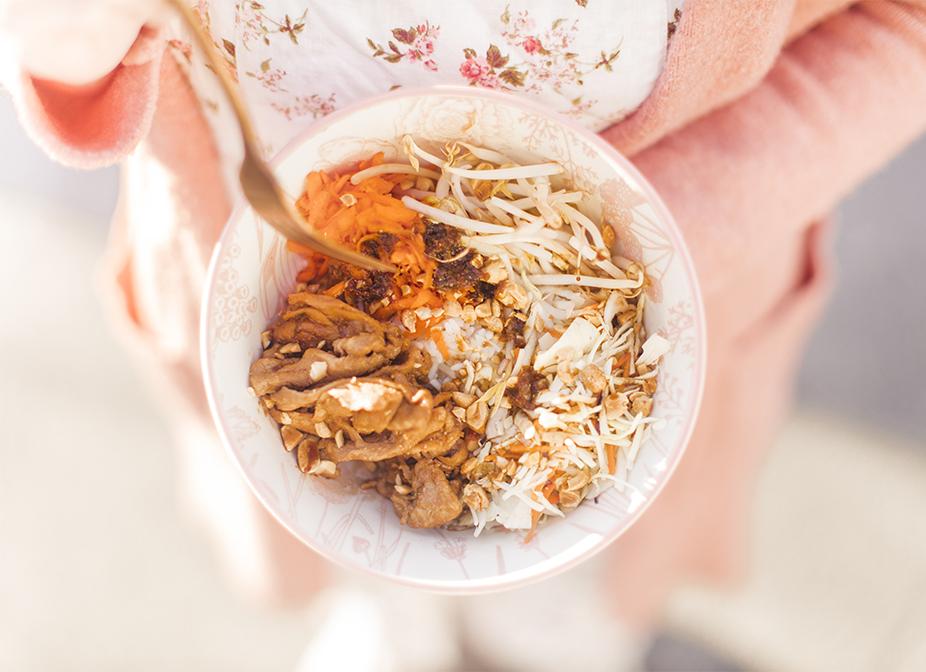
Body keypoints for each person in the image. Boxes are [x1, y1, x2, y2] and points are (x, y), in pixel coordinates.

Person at [2, 1, 924, 669]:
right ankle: (391, 626)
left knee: (588, 578)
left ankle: (567, 633)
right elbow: (98, 60)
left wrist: (635, 243)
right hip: (247, 280)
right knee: (332, 527)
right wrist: (74, 49)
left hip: (656, 303)